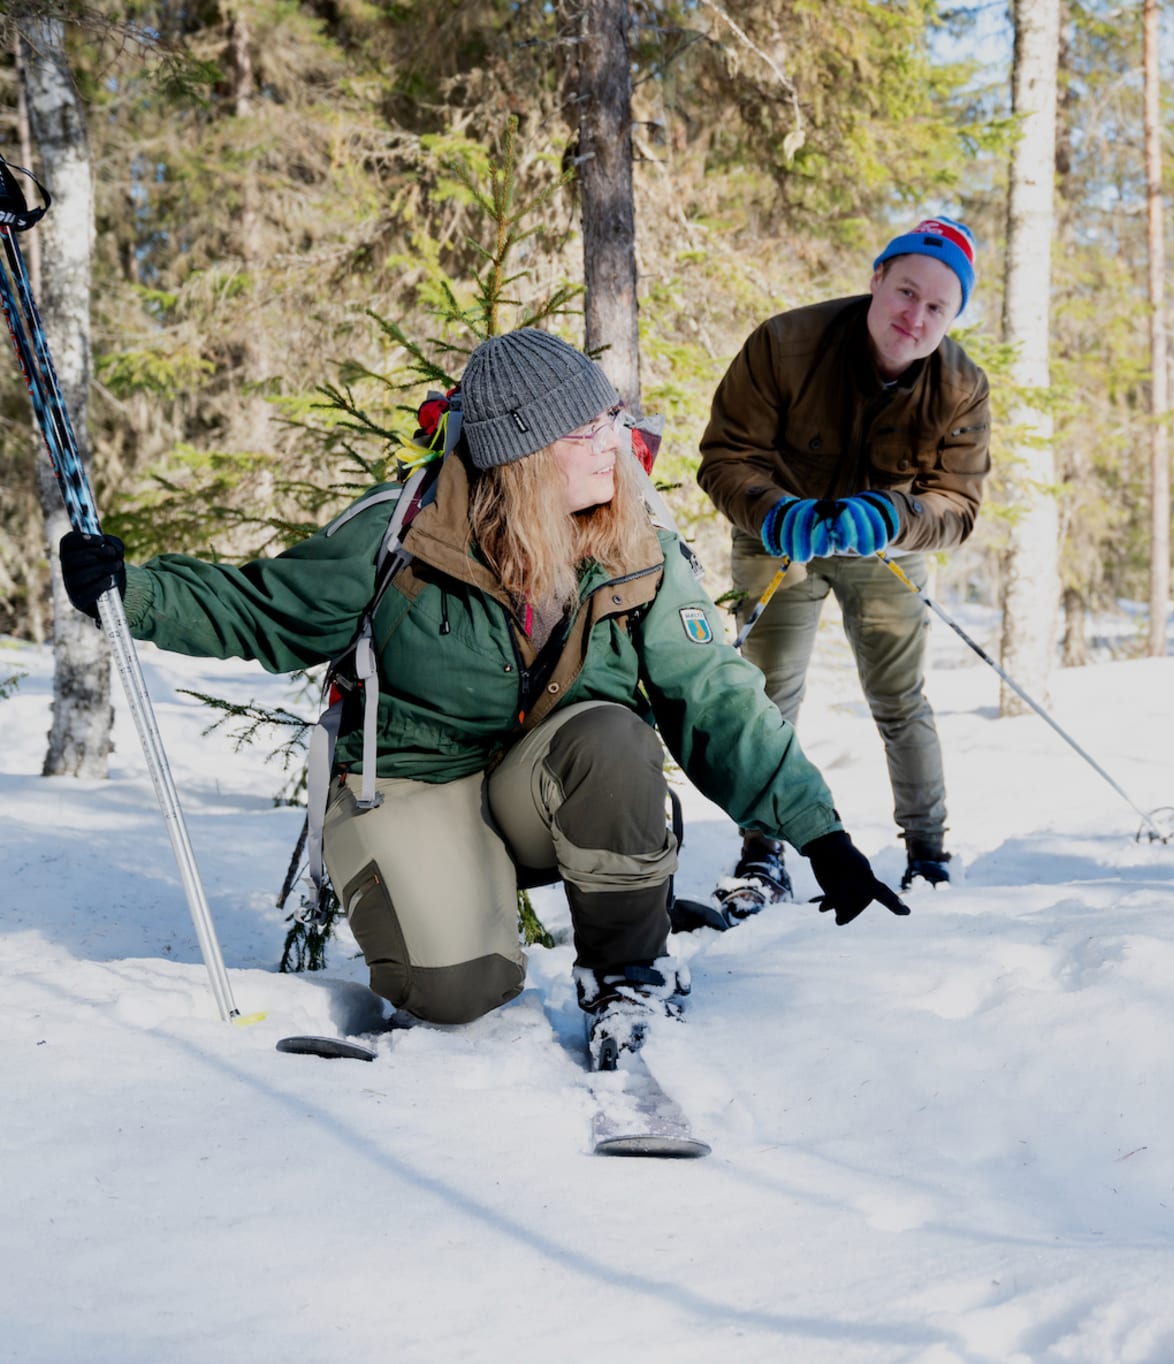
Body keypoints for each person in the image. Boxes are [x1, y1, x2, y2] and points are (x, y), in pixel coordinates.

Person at [57, 328, 908, 1065]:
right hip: (417, 783)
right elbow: (263, 609)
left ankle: (627, 972)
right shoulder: (403, 532)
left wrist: (818, 833)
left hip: (542, 784)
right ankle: (458, 910)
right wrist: (130, 590)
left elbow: (716, 697)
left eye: (611, 420)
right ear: (525, 455)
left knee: (612, 739)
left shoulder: (637, 545)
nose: (616, 442)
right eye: (588, 430)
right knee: (460, 993)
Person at [697, 216, 991, 905]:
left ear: (951, 318)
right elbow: (725, 457)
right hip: (783, 534)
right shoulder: (784, 342)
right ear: (876, 280)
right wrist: (775, 512)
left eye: (936, 307)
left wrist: (894, 515)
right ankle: (761, 852)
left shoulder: (961, 386)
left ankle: (928, 852)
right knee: (768, 691)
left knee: (899, 696)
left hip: (885, 545)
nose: (914, 316)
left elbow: (957, 504)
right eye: (906, 291)